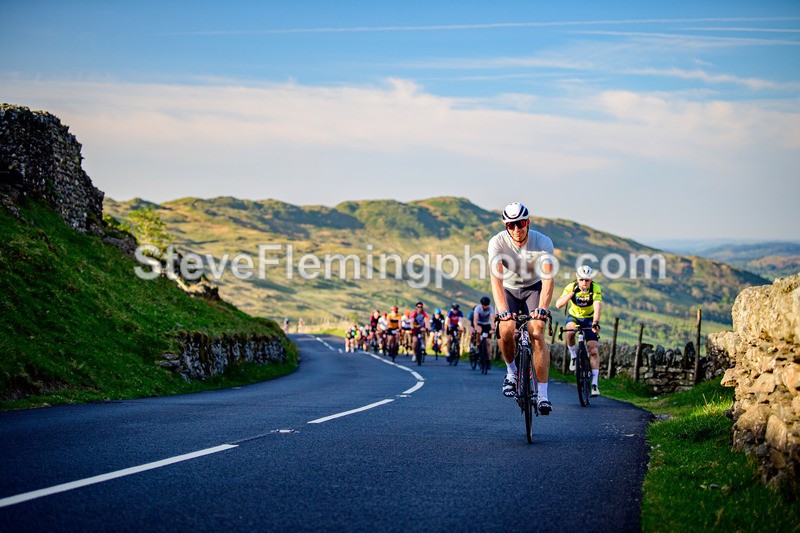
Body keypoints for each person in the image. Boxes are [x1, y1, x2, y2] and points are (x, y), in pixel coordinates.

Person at [489, 202, 555, 414]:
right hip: (508, 289)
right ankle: (511, 372)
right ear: (506, 227)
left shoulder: (543, 242)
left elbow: (548, 279)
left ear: (528, 222)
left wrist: (542, 308)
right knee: (506, 329)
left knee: (537, 332)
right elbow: (496, 280)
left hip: (533, 288)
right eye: (511, 225)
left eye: (521, 223)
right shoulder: (497, 242)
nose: (517, 229)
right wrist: (502, 310)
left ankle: (543, 395)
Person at [556, 265, 603, 397]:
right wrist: (572, 293)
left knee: (593, 350)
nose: (584, 283)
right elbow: (558, 304)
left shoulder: (595, 288)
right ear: (577, 279)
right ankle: (573, 356)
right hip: (574, 317)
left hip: (589, 319)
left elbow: (598, 306)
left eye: (587, 280)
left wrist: (595, 322)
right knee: (570, 332)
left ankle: (594, 384)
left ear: (591, 280)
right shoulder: (571, 287)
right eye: (581, 279)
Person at [472, 296, 496, 362]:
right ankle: (478, 345)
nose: (486, 307)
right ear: (482, 304)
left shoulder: (490, 308)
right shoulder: (478, 308)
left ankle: (489, 359)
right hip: (479, 323)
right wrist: (476, 327)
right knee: (478, 333)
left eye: (487, 305)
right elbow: (475, 319)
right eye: (484, 305)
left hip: (487, 324)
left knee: (488, 342)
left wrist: (493, 328)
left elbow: (492, 319)